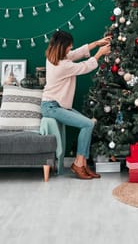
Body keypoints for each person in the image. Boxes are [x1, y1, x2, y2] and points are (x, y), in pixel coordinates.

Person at [41, 30, 111, 180]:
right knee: (87, 124)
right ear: (62, 47)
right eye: (69, 46)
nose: (71, 48)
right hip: (52, 107)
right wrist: (99, 53)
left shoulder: (53, 57)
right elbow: (85, 67)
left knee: (89, 124)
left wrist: (96, 43)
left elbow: (76, 53)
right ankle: (79, 164)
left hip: (57, 105)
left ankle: (83, 163)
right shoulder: (63, 66)